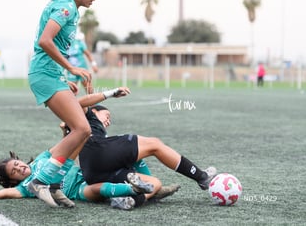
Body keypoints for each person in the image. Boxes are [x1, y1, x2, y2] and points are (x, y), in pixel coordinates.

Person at [59, 87, 217, 208]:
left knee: (155, 183)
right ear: (93, 111)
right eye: (107, 116)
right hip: (99, 151)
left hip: (94, 173)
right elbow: (78, 103)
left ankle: (132, 200)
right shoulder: (88, 117)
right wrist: (110, 93)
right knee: (154, 144)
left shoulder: (82, 129)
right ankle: (202, 177)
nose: (109, 121)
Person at [27, 0, 102, 207]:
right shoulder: (66, 7)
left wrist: (63, 75)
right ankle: (40, 180)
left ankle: (55, 185)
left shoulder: (68, 5)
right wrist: (71, 68)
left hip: (50, 74)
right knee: (81, 128)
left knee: (82, 130)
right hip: (44, 75)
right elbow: (44, 41)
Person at [0, 148, 179, 210]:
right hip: (78, 190)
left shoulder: (41, 159)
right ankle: (144, 195)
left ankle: (141, 196)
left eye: (18, 164)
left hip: (86, 172)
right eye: (15, 172)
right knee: (95, 190)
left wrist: (66, 131)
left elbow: (65, 149)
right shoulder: (27, 187)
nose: (19, 169)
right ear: (13, 180)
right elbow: (3, 193)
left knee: (150, 178)